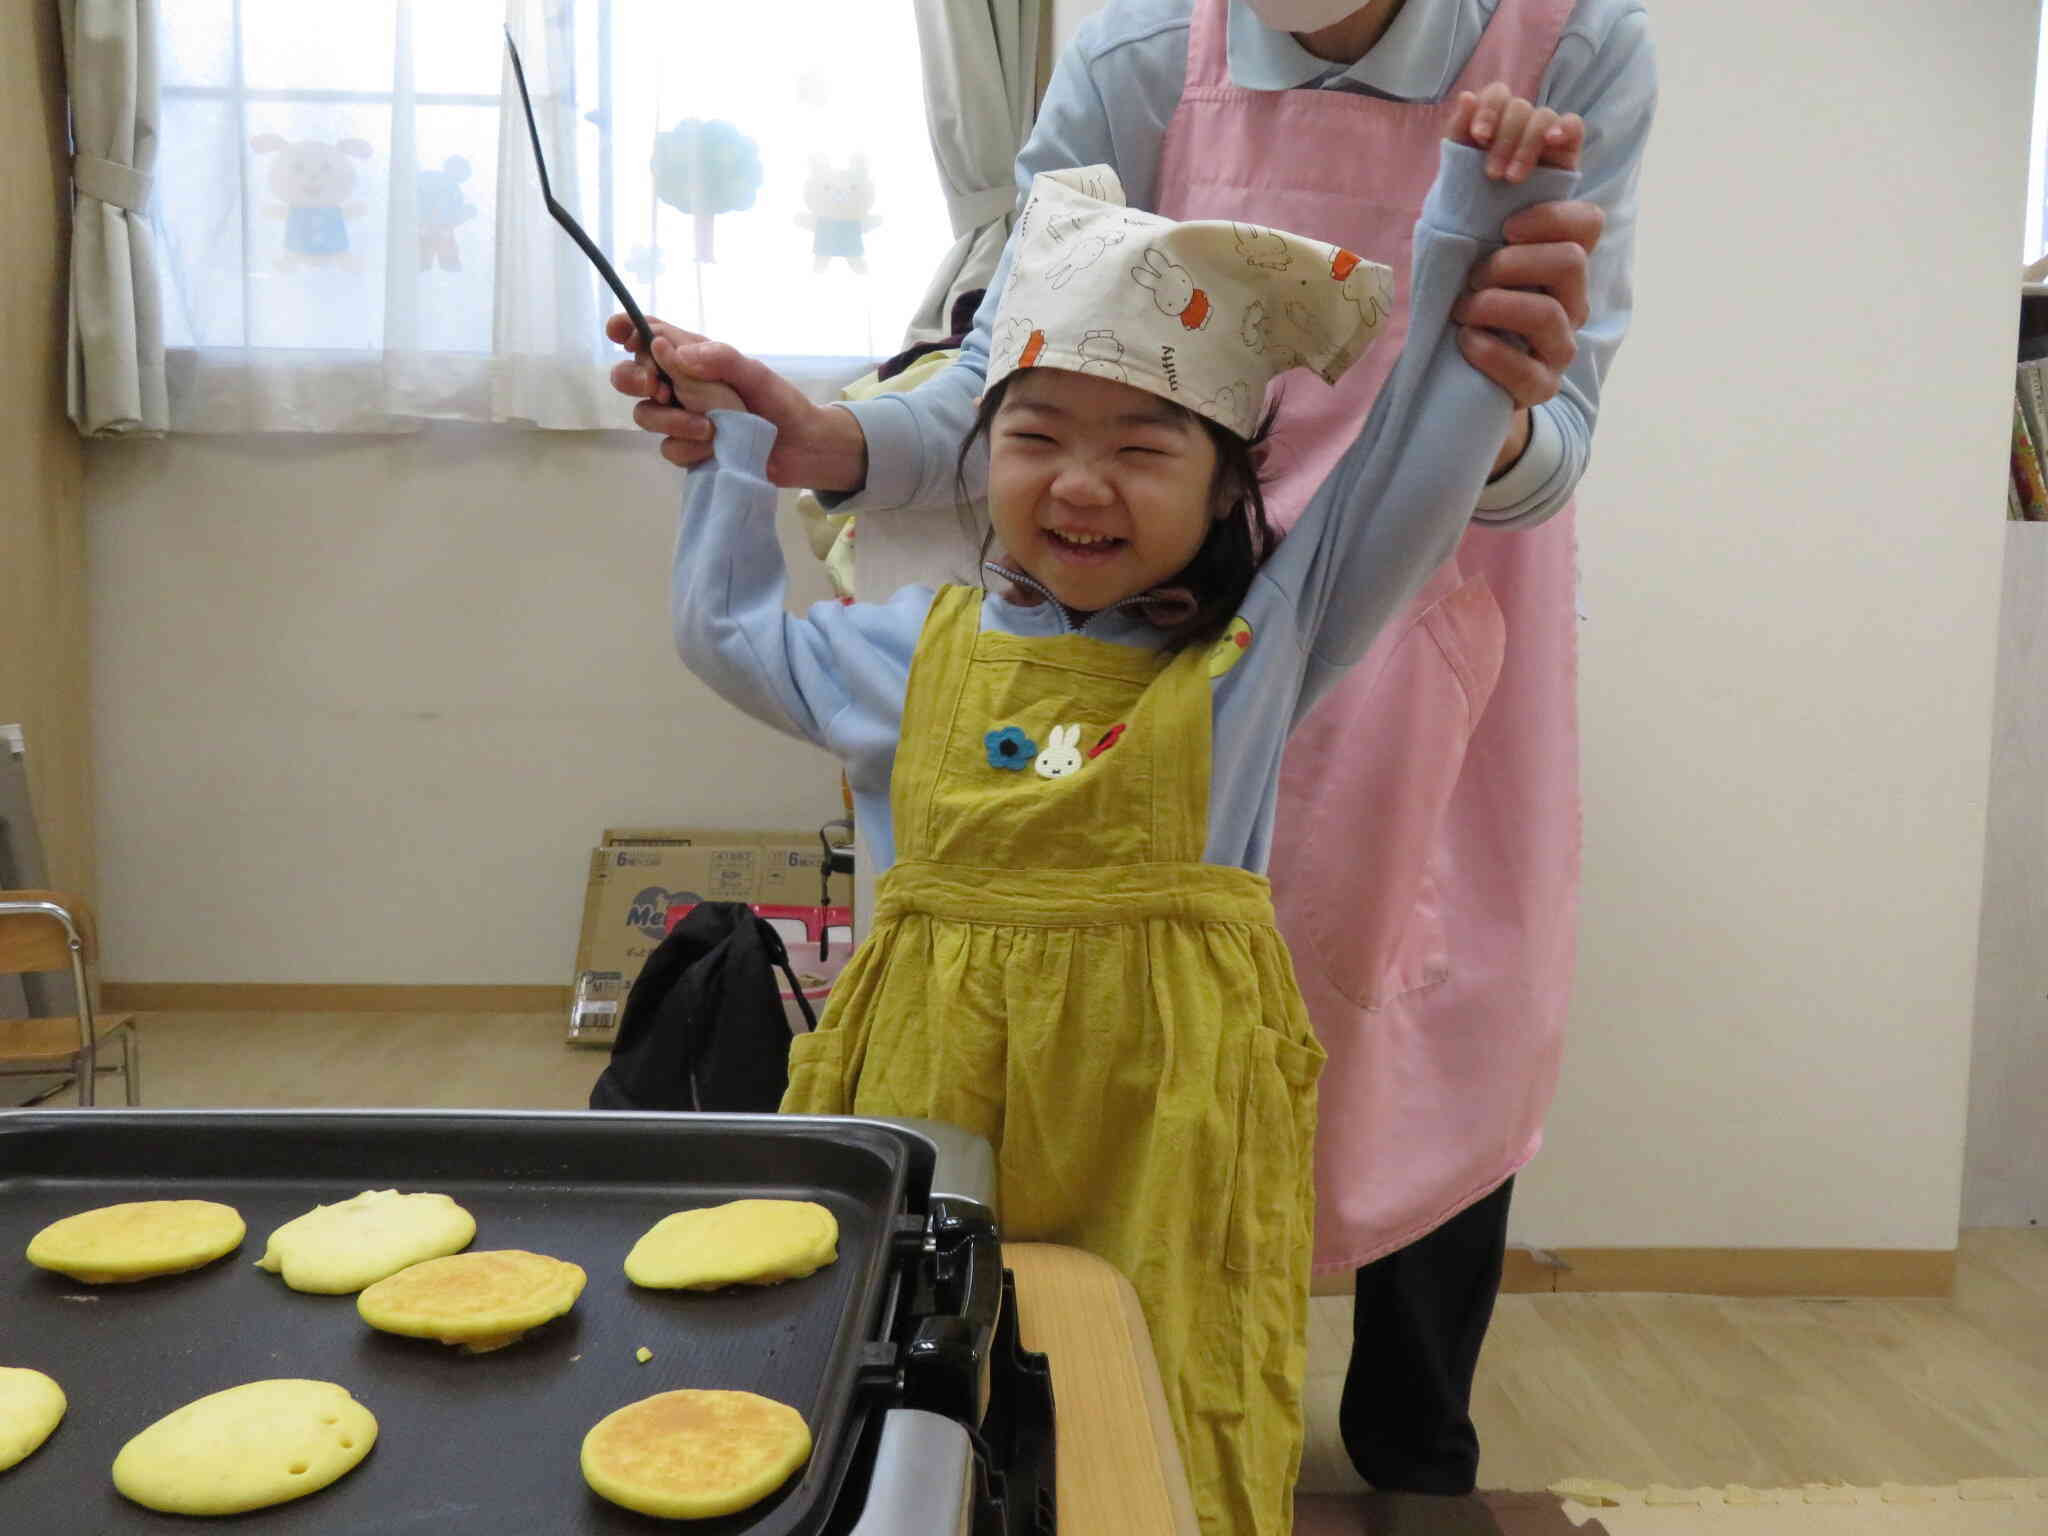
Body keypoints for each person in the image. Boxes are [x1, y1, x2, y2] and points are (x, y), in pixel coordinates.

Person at [617, 5, 1654, 1524]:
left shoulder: (1247, 665)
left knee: (1157, 1416)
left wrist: (1469, 235)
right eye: (1037, 438)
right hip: (939, 1106)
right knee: (930, 1401)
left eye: (1145, 449)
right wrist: (733, 449)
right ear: (988, 455)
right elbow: (727, 635)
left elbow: (1400, 475)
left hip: (1168, 1137)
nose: (1083, 486)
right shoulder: (909, 654)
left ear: (1232, 488)